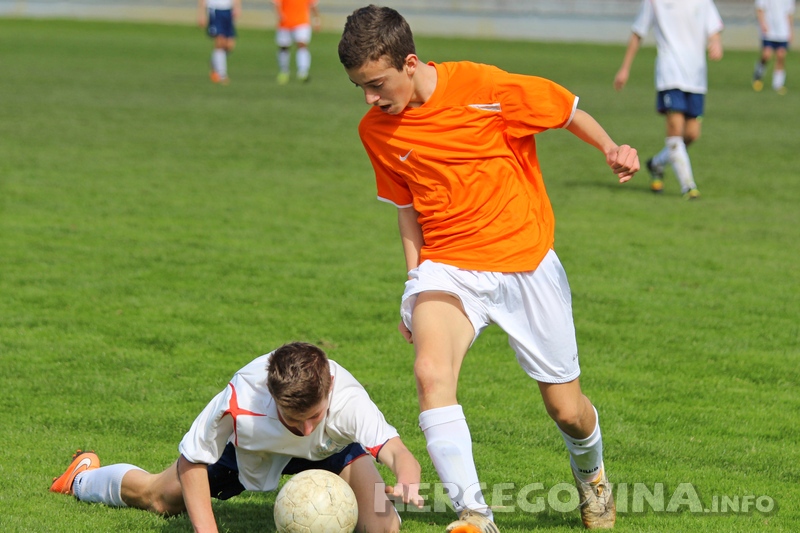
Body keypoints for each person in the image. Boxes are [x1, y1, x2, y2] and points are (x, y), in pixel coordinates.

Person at [338, 6, 640, 531]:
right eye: (360, 87)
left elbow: (566, 111)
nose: (370, 99)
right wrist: (413, 284)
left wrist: (611, 147)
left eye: (377, 84)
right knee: (431, 374)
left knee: (567, 410)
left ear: (410, 63)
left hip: (525, 262)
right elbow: (408, 211)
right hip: (449, 268)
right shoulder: (377, 131)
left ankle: (592, 477)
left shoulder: (485, 86)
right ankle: (475, 515)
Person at [50, 342, 423, 533]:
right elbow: (192, 460)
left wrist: (407, 479)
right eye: (295, 419)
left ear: (329, 390)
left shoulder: (348, 399)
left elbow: (398, 453)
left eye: (315, 416)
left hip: (333, 452)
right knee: (157, 499)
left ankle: (366, 497)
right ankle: (81, 477)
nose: (306, 430)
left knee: (383, 527)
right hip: (249, 452)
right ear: (272, 396)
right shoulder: (242, 396)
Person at [614, 0, 724, 199]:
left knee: (691, 134)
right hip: (670, 73)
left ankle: (656, 164)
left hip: (697, 77)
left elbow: (714, 27)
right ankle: (688, 186)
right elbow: (638, 32)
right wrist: (624, 68)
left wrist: (715, 42)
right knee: (675, 128)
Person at [752, 0, 795, 94]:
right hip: (769, 30)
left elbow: (789, 13)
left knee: (781, 55)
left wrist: (791, 31)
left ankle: (778, 84)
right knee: (767, 54)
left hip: (783, 30)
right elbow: (760, 9)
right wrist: (762, 23)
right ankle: (758, 74)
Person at [274, 0, 321, 84]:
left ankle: (303, 72)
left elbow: (313, 5)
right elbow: (276, 3)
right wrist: (279, 14)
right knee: (284, 47)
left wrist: (316, 19)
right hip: (285, 23)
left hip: (301, 22)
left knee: (302, 45)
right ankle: (284, 71)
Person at [197, 0, 242, 84]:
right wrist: (201, 14)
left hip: (228, 10)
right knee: (220, 42)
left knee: (229, 45)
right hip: (215, 10)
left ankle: (214, 62)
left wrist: (238, 7)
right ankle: (222, 75)